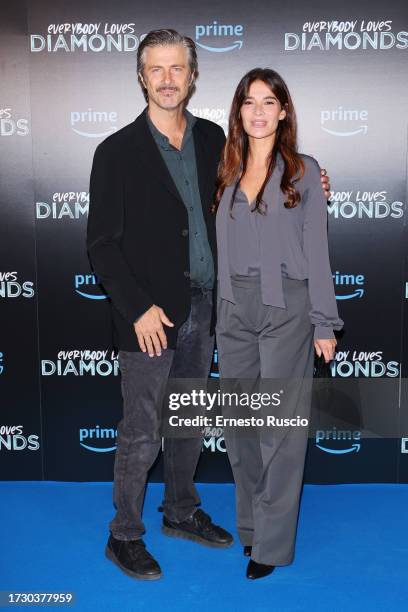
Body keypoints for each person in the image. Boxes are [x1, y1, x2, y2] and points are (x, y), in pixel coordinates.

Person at [87, 29, 331, 581]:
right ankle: (124, 534)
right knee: (142, 427)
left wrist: (312, 181)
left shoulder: (214, 142)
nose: (169, 79)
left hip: (207, 308)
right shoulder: (116, 152)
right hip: (149, 315)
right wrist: (137, 308)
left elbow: (265, 195)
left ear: (193, 76)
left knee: (188, 421)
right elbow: (101, 244)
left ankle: (181, 512)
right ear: (141, 76)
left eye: (178, 68)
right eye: (157, 69)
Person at [214, 68, 343, 580]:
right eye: (250, 102)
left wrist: (324, 322)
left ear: (284, 111)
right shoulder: (224, 165)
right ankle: (250, 528)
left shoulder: (305, 171)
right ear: (238, 111)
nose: (259, 111)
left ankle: (272, 544)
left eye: (270, 102)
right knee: (241, 427)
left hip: (286, 307)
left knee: (279, 431)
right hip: (232, 308)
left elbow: (317, 247)